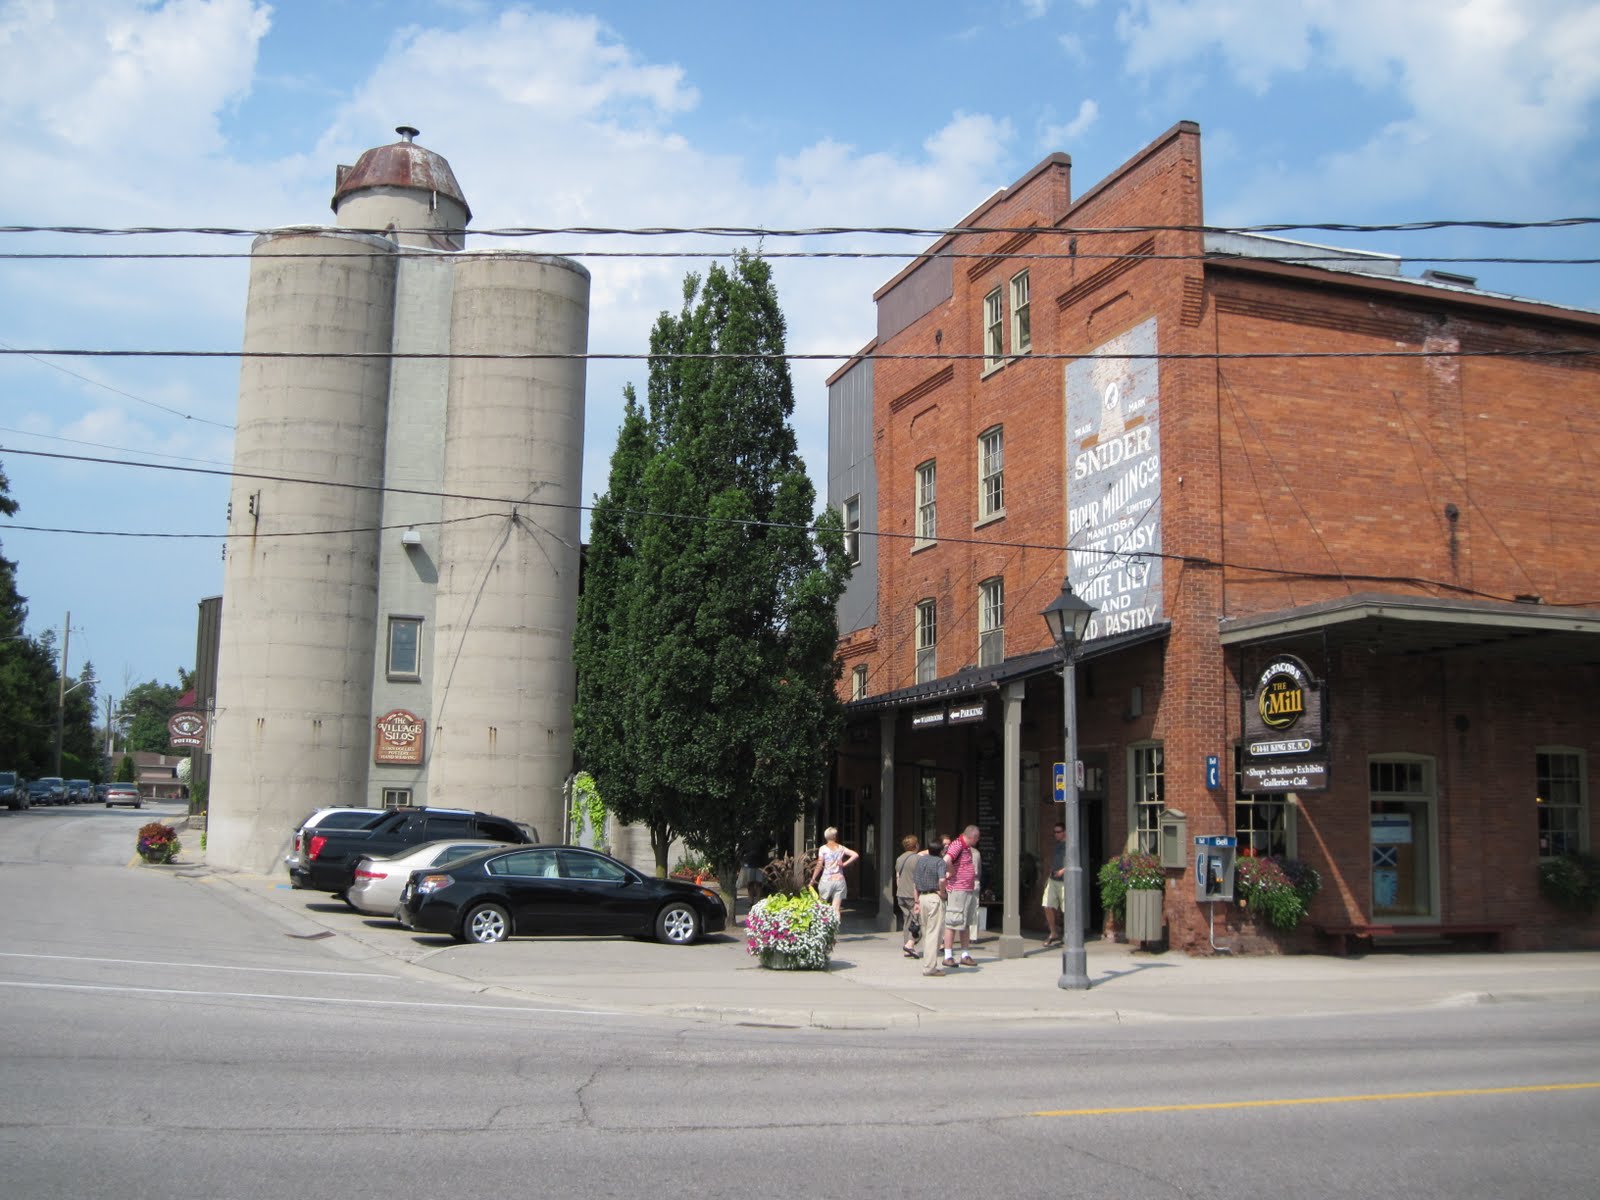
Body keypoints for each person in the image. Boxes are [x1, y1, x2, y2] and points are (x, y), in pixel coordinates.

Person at [942, 824, 981, 968]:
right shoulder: (957, 845)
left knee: (965, 923)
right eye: (976, 838)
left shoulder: (966, 847)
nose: (977, 841)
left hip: (967, 889)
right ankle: (948, 956)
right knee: (952, 922)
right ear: (972, 836)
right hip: (958, 890)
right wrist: (951, 872)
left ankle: (965, 954)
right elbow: (946, 859)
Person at [911, 836, 949, 976]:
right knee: (935, 934)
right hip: (934, 897)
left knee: (927, 933)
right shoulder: (940, 862)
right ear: (940, 851)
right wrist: (943, 893)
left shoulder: (921, 860)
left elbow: (915, 883)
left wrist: (916, 902)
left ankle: (928, 964)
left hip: (922, 898)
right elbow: (942, 879)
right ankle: (930, 968)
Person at [809, 827, 859, 922]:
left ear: (826, 837)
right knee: (836, 909)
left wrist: (813, 879)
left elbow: (819, 865)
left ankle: (822, 929)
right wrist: (844, 864)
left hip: (826, 879)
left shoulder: (823, 849)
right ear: (835, 836)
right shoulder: (841, 848)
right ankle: (834, 930)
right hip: (839, 880)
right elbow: (855, 855)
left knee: (822, 906)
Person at [895, 834, 922, 956]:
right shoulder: (917, 858)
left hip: (901, 893)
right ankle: (910, 944)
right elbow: (919, 878)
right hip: (912, 894)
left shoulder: (900, 858)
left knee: (907, 920)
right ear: (915, 845)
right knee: (917, 921)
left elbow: (898, 876)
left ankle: (907, 945)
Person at [1043, 821, 1066, 948]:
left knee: (1066, 909)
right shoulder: (1057, 845)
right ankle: (1053, 932)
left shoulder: (1069, 845)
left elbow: (1074, 862)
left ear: (1065, 832)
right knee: (1047, 905)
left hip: (1064, 881)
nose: (1056, 834)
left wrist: (1063, 870)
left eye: (1058, 832)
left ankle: (1068, 935)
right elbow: (1054, 861)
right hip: (1053, 879)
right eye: (1055, 832)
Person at [737, 838, 770, 907]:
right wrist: (742, 861)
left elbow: (765, 852)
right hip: (750, 864)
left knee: (758, 884)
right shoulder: (747, 840)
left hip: (759, 865)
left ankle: (757, 902)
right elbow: (741, 852)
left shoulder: (762, 839)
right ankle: (751, 901)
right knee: (751, 884)